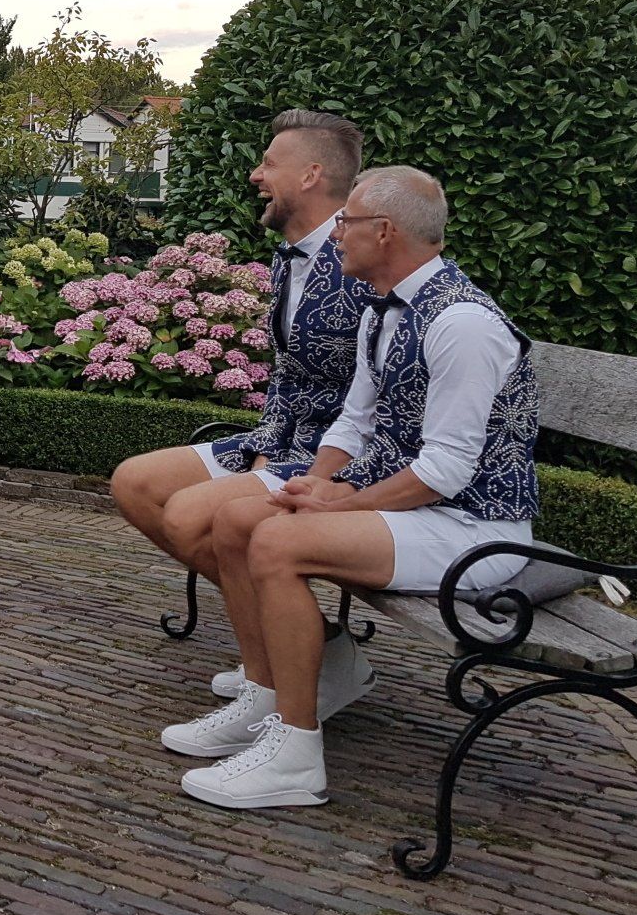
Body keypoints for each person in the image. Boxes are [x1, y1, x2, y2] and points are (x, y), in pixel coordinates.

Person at [164, 166, 539, 810]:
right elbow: (355, 421)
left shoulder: (462, 324)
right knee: (238, 519)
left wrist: (343, 502)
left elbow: (448, 470)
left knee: (277, 542)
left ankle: (294, 756)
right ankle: (264, 695)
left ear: (384, 231)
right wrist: (316, 483)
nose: (336, 232)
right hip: (421, 512)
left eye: (348, 221)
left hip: (477, 529)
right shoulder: (384, 310)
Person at [111, 110, 375, 707]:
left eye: (268, 164)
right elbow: (287, 373)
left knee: (190, 517)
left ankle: (278, 680)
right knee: (135, 484)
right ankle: (316, 644)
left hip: (338, 455)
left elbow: (379, 395)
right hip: (283, 437)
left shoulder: (364, 259)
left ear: (310, 175)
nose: (256, 175)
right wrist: (266, 447)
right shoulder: (290, 255)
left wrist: (294, 468)